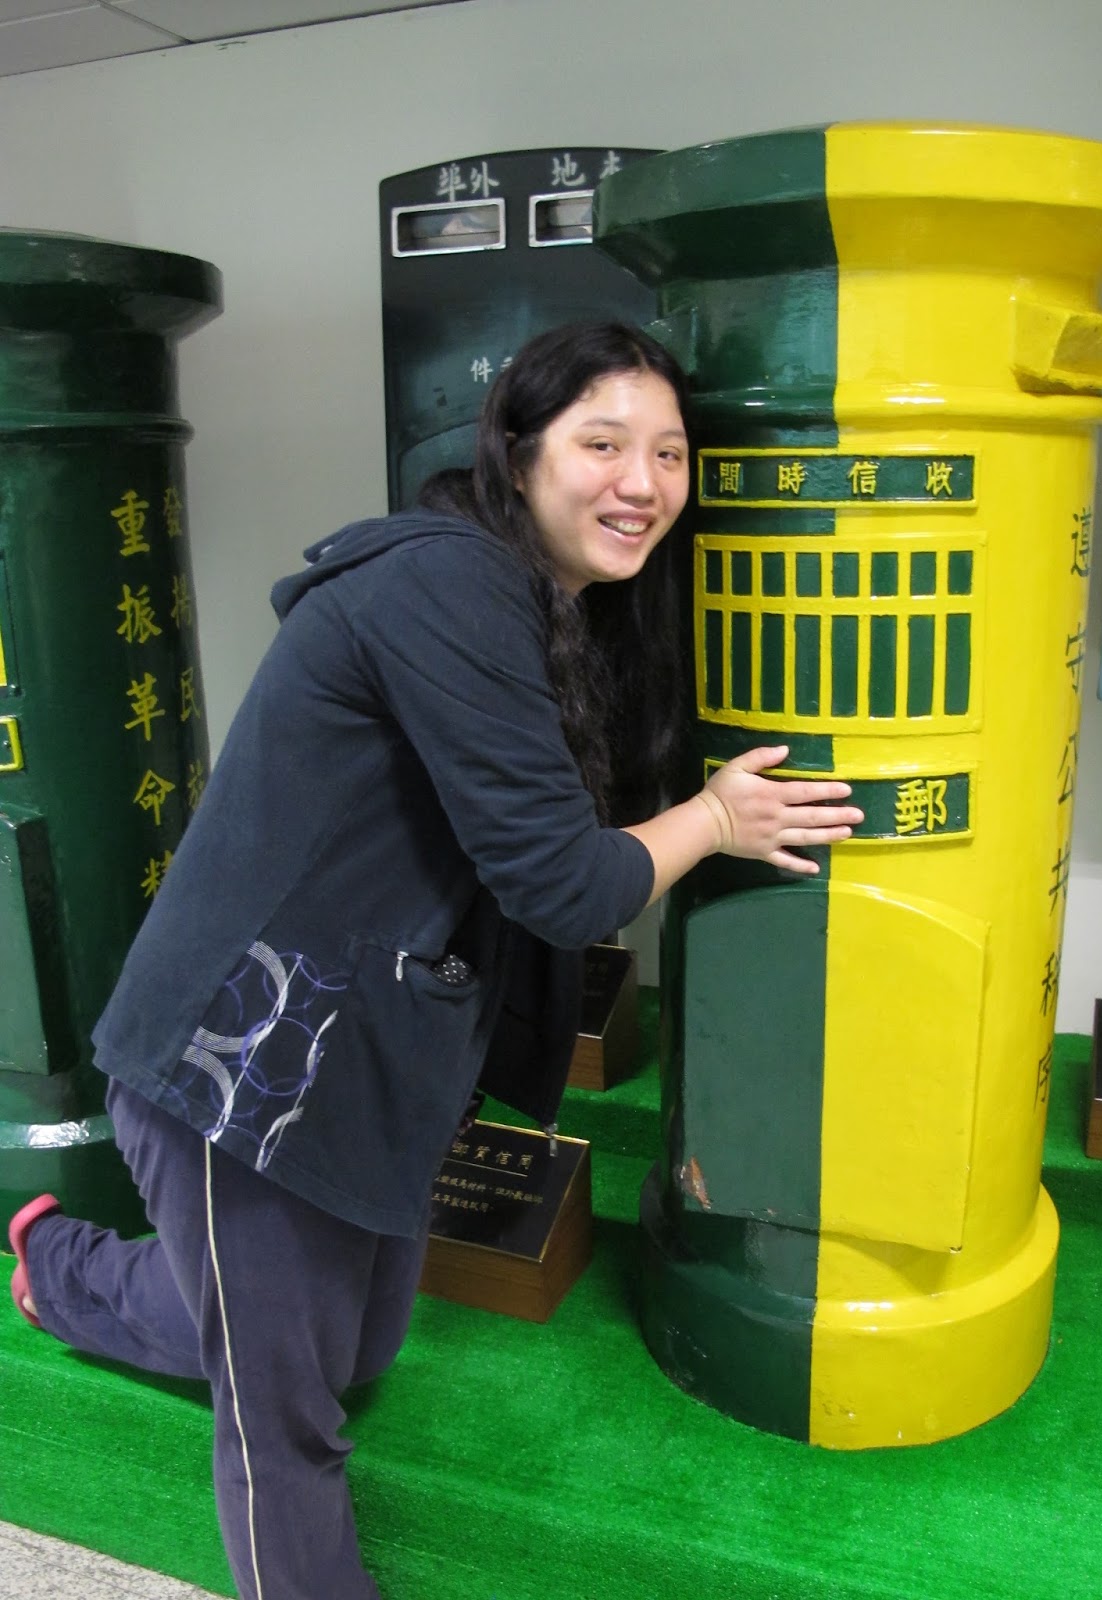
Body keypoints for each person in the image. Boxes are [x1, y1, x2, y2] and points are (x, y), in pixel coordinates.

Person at [6, 321, 862, 1600]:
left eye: (670, 453)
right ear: (518, 454)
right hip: (232, 1065)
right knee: (287, 1419)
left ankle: (57, 1271)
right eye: (603, 444)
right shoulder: (448, 584)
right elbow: (565, 882)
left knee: (348, 1351)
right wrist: (719, 819)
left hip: (358, 1052)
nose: (643, 482)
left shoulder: (556, 610)